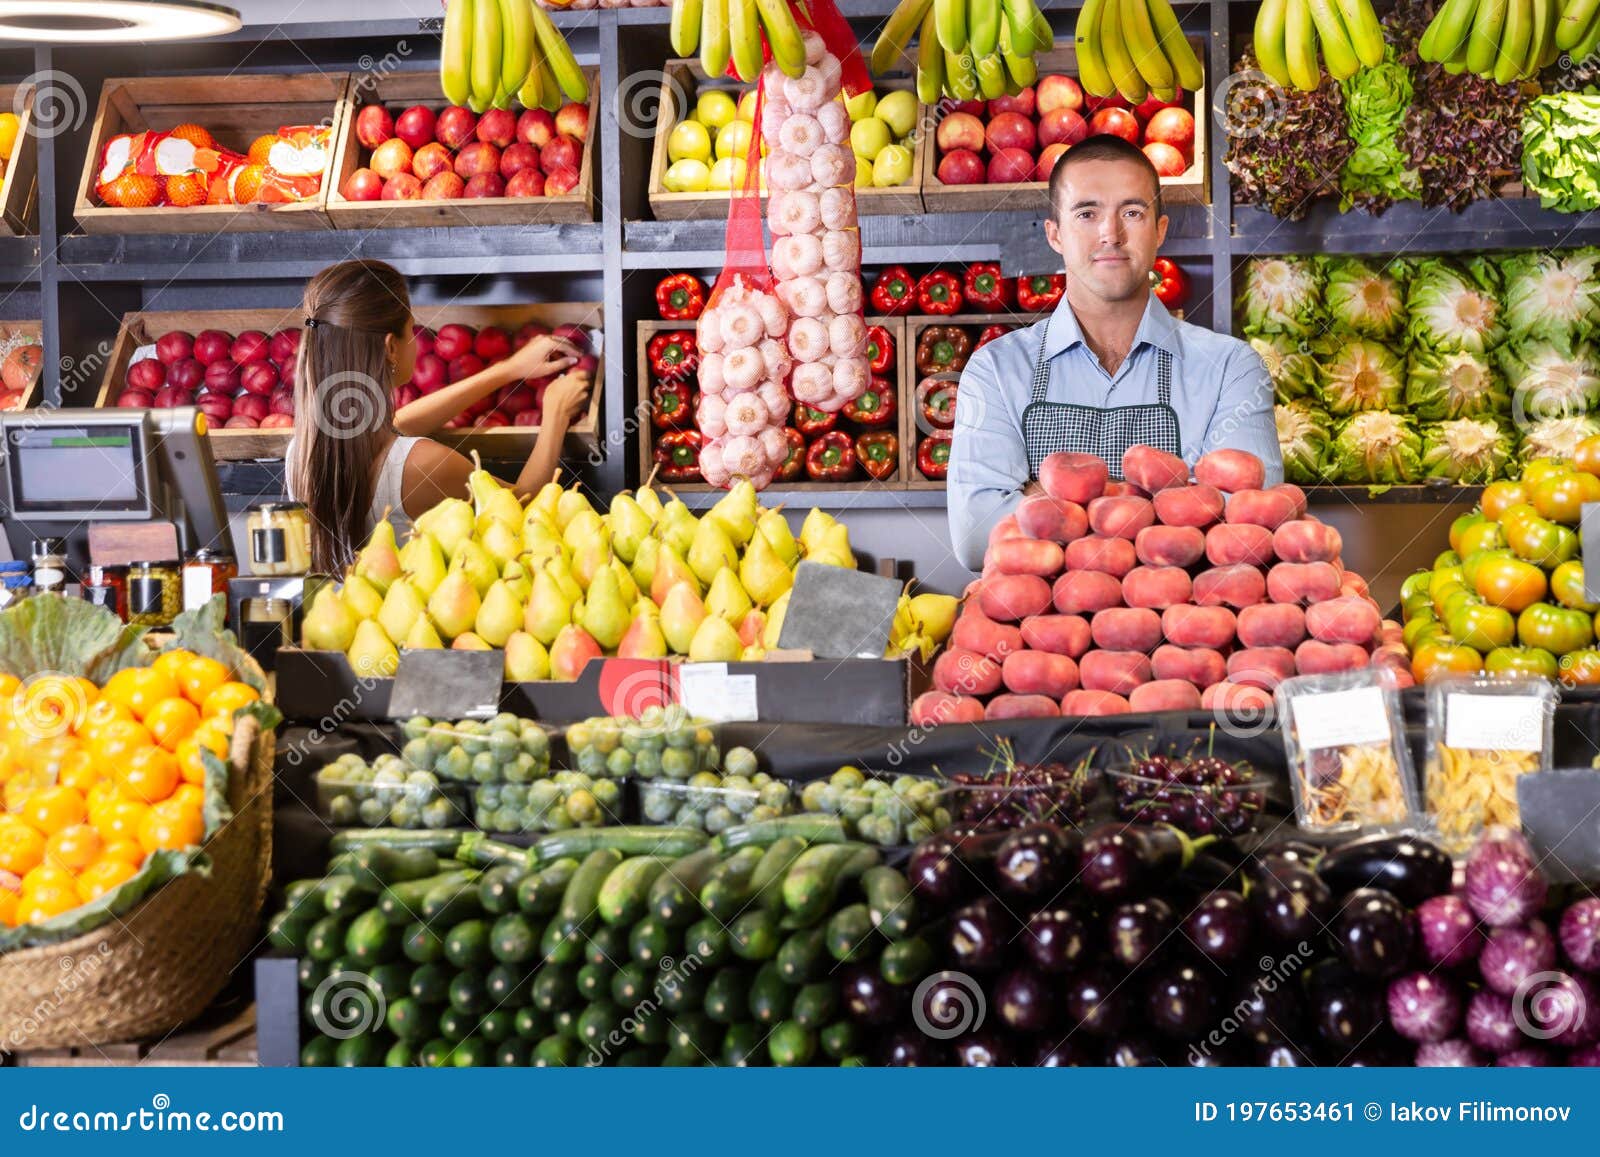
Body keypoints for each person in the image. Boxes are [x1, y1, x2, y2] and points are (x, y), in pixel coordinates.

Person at [946, 136, 1282, 570]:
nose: (1111, 234)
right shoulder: (995, 369)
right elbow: (976, 538)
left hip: (1187, 626)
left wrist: (1041, 500)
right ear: (1055, 235)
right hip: (1040, 632)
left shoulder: (1231, 369)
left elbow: (1250, 529)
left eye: (1132, 212)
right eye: (1087, 213)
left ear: (1159, 231)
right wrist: (1178, 500)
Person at [285, 259, 592, 574]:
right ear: (391, 347)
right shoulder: (423, 464)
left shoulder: (302, 450)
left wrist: (509, 370)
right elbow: (523, 507)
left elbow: (398, 425)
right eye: (411, 328)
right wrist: (556, 414)